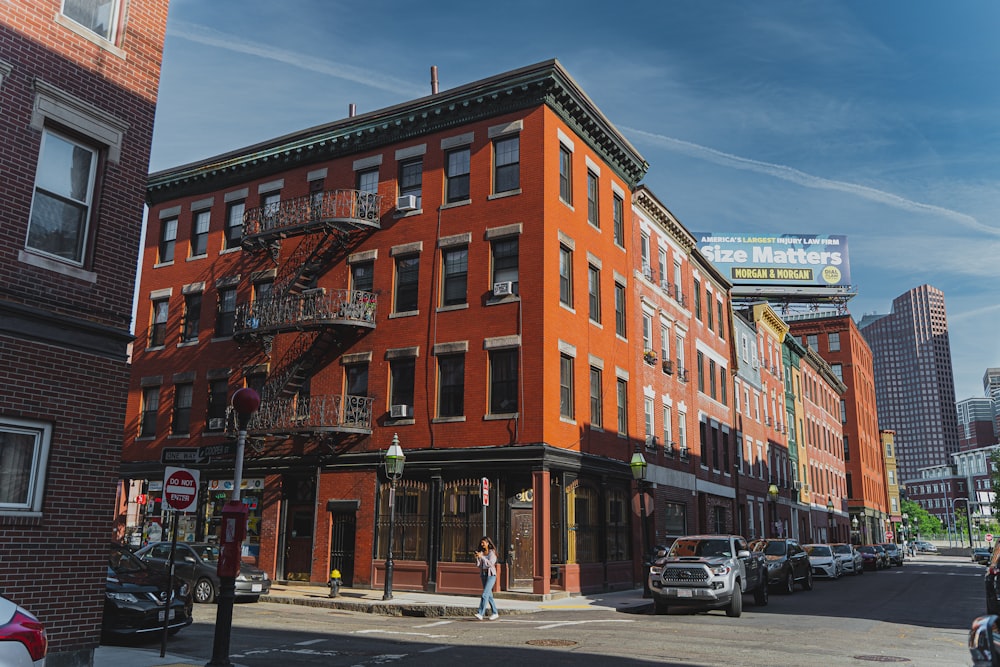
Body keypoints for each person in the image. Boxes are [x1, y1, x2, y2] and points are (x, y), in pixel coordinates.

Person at [474, 536, 499, 620]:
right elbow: (478, 565)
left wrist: (482, 557)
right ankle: (495, 612)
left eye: (483, 543)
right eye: (481, 543)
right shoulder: (482, 552)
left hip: (491, 575)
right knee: (489, 595)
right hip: (483, 574)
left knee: (485, 594)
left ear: (488, 543)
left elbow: (490, 564)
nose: (482, 544)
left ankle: (480, 613)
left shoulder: (492, 553)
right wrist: (477, 558)